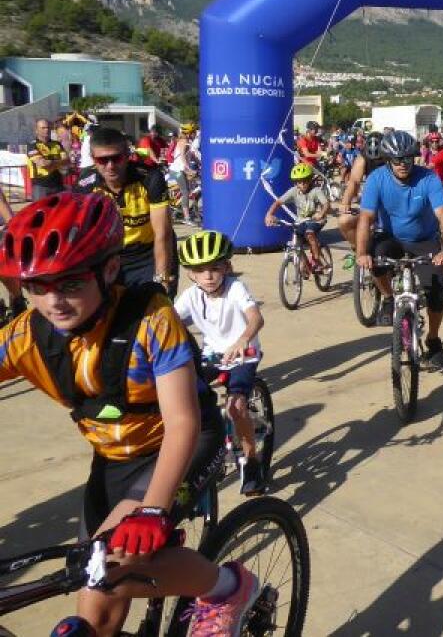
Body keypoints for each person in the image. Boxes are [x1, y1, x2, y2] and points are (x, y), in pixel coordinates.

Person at [0, 193, 259, 635]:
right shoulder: (28, 333)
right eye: (36, 286)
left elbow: (182, 421)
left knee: (109, 567)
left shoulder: (151, 319)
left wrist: (154, 511)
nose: (53, 302)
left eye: (70, 284)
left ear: (110, 270)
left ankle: (229, 588)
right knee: (93, 615)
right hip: (114, 459)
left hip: (181, 443)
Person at [174, 230, 267, 495]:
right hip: (212, 355)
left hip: (243, 355)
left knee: (236, 406)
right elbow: (169, 321)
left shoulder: (236, 288)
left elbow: (256, 318)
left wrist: (243, 340)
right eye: (201, 270)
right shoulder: (191, 295)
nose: (209, 276)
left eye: (215, 268)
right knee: (183, 396)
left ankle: (251, 460)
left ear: (227, 266)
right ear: (191, 273)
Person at [354, 130, 443, 368]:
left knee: (437, 292)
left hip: (424, 240)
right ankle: (389, 297)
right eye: (397, 160)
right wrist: (361, 254)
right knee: (376, 260)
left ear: (414, 158)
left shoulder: (428, 179)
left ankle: (433, 340)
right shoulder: (376, 179)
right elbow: (366, 218)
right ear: (388, 160)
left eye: (407, 159)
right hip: (390, 237)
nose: (402, 164)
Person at [76, 128, 175, 293]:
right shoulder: (85, 183)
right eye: (102, 160)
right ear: (93, 159)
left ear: (128, 155)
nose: (110, 166)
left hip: (148, 253)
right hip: (109, 255)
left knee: (155, 308)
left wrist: (162, 279)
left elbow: (163, 234)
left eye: (117, 158)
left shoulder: (150, 177)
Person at [264, 163, 330, 274]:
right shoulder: (293, 191)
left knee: (310, 233)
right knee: (296, 242)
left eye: (305, 181)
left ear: (310, 180)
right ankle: (305, 264)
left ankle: (318, 261)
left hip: (316, 220)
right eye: (299, 182)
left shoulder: (316, 191)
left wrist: (321, 213)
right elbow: (278, 202)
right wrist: (269, 215)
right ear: (295, 183)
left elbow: (326, 204)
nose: (302, 184)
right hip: (301, 221)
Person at [337, 132, 386, 269]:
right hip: (371, 203)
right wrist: (346, 202)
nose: (377, 162)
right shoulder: (362, 158)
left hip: (390, 203)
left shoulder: (392, 157)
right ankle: (357, 250)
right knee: (344, 221)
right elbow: (354, 182)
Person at [28, 117, 69, 199]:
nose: (46, 130)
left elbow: (67, 161)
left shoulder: (57, 144)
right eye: (43, 128)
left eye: (48, 127)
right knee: (40, 211)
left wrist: (50, 163)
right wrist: (59, 162)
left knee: (60, 211)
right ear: (36, 130)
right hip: (41, 187)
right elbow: (43, 164)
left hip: (58, 185)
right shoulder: (32, 145)